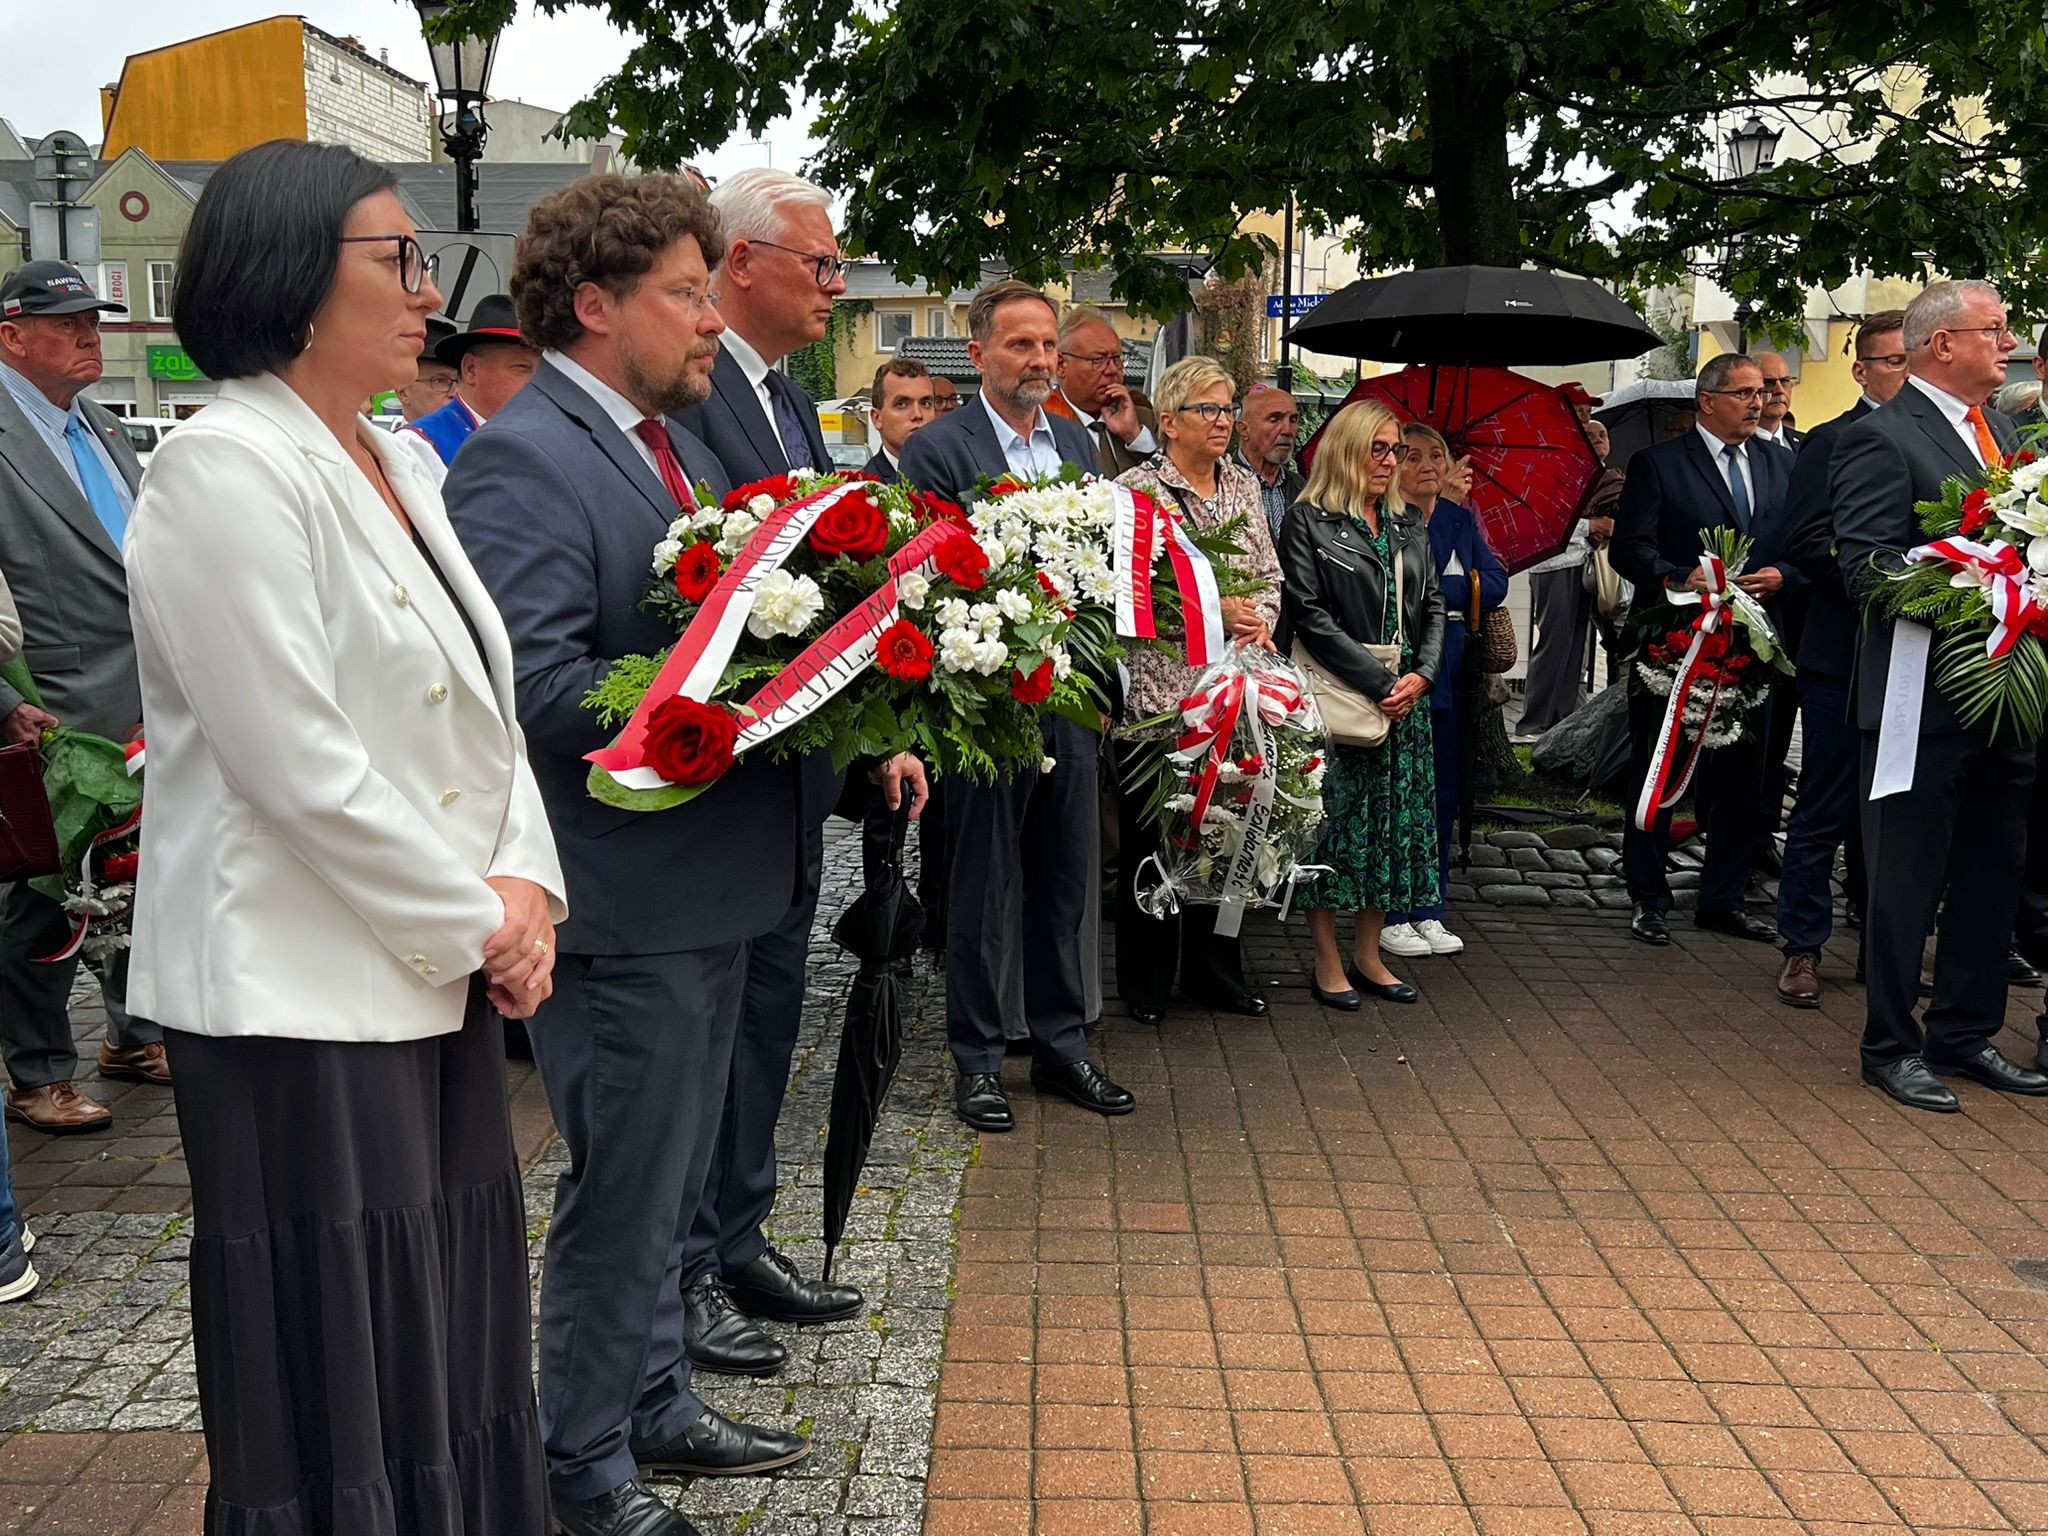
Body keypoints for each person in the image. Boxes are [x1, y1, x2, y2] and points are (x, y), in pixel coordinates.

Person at [124, 139, 567, 1536]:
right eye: (399, 257)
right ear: (290, 273)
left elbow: (484, 711)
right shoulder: (223, 467)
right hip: (292, 990)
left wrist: (525, 882)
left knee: (446, 1324)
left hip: (422, 960)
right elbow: (293, 763)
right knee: (341, 1343)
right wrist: (478, 922)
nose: (428, 290)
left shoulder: (393, 460)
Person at [445, 173, 810, 1536]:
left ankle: (654, 1399)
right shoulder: (524, 456)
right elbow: (535, 685)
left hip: (711, 885)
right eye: (684, 293)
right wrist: (722, 686)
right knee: (624, 1193)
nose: (711, 320)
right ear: (594, 307)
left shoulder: (679, 447)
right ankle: (581, 1461)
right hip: (624, 898)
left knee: (673, 1177)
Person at [670, 167, 917, 1380]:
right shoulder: (695, 397)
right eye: (819, 265)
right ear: (741, 261)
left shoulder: (786, 398)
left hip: (788, 781)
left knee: (767, 1021)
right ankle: (688, 1271)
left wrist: (870, 741)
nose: (834, 284)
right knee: (707, 1044)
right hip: (715, 785)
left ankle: (739, 1232)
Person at [899, 279, 1136, 1133]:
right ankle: (976, 1059)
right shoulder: (941, 450)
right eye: (1020, 346)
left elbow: (1106, 572)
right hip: (987, 708)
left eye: (1046, 346)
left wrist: (1103, 688)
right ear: (978, 355)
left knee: (1064, 880)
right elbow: (924, 582)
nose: (1038, 361)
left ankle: (1063, 1046)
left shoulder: (1076, 442)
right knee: (983, 882)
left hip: (1068, 703)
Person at [1832, 279, 2048, 1113]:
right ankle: (1890, 1044)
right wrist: (1983, 591)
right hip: (1920, 701)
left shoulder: (2004, 437)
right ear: (1941, 345)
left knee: (1995, 871)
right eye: (1993, 329)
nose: (2009, 340)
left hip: (2006, 695)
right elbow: (1865, 568)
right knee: (1907, 875)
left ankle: (1964, 1032)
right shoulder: (1884, 438)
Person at [0, 258, 165, 1133]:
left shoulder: (100, 424)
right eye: (69, 324)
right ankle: (37, 1073)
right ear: (11, 337)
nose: (91, 336)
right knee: (44, 895)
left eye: (95, 322)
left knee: (136, 875)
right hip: (51, 705)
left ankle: (132, 1035)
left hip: (141, 692)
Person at [1112, 357, 1282, 1023]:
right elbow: (1132, 599)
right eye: (1209, 409)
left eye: (1228, 408)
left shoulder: (1241, 485)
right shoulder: (1135, 491)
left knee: (1228, 837)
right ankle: (1148, 981)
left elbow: (1268, 574)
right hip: (1160, 699)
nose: (1224, 421)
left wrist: (1258, 619)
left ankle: (1217, 973)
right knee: (1154, 840)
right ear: (1171, 419)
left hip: (1235, 694)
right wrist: (1216, 611)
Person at [1609, 353, 1796, 946]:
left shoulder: (1779, 463)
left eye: (1761, 392)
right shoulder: (1659, 464)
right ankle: (1648, 893)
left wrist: (1783, 573)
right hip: (1677, 642)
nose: (1757, 401)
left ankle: (1723, 897)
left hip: (1753, 643)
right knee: (1659, 765)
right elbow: (1629, 550)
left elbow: (1799, 542)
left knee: (1746, 772)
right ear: (1707, 400)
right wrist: (1679, 576)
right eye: (1744, 392)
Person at [1283, 400, 1446, 1009]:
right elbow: (1308, 614)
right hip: (1339, 693)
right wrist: (1378, 682)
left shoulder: (1407, 522)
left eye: (1397, 449)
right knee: (1333, 827)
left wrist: (1423, 675)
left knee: (1392, 827)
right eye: (1378, 449)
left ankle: (1370, 953)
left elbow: (1432, 606)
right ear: (1347, 450)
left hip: (1406, 699)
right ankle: (1327, 959)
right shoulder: (1309, 520)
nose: (1390, 461)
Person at [1772, 310, 1906, 1008]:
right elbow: (1803, 541)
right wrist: (1885, 580)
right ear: (1862, 370)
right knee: (1825, 803)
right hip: (1844, 651)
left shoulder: (1939, 438)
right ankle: (1801, 946)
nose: (1904, 372)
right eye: (1892, 361)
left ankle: (1887, 952)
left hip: (1915, 655)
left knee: (1895, 808)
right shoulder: (1831, 441)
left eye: (1912, 360)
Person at [1381, 422, 1509, 959]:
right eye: (1413, 456)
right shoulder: (1387, 518)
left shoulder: (1459, 517)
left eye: (1438, 455)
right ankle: (1391, 908)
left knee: (1445, 787)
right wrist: (1455, 583)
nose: (1429, 465)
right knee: (1398, 789)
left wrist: (1457, 581)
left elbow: (1495, 580)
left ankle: (1430, 904)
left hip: (1455, 664)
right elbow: (1418, 583)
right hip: (1402, 662)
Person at [396, 295, 538, 485]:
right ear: (470, 369)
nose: (536, 382)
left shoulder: (540, 437)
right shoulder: (418, 445)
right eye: (522, 367)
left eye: (541, 370)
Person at [1043, 305, 1156, 475]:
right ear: (1060, 365)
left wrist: (1134, 436)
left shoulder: (1144, 420)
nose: (1112, 370)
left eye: (1116, 359)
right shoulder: (1043, 423)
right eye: (1098, 360)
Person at [1234, 381, 1304, 543]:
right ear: (1244, 429)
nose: (1287, 430)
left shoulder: (1302, 489)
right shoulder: (1220, 486)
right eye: (1274, 419)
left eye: (1293, 420)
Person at [865, 356, 934, 481]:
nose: (918, 415)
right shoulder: (862, 489)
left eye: (925, 404)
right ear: (877, 418)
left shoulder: (954, 479)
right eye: (902, 404)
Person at [394, 314, 459, 420]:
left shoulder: (480, 435)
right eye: (440, 381)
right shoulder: (377, 436)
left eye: (460, 381)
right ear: (403, 393)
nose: (455, 393)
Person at [1751, 351, 1803, 452]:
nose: (1779, 390)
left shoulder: (1807, 444)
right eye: (1768, 383)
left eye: (1784, 381)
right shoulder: (1736, 445)